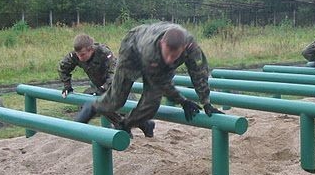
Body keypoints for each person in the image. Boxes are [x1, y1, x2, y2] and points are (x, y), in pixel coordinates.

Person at [74, 23, 223, 136]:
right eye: (168, 54)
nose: (170, 59)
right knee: (117, 100)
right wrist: (182, 101)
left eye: (175, 56)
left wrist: (206, 102)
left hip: (158, 56)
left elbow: (199, 73)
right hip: (132, 47)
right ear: (161, 44)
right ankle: (92, 107)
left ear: (184, 49)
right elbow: (160, 82)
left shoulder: (191, 47)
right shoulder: (151, 48)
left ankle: (129, 124)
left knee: (152, 103)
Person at [58, 34, 128, 133]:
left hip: (118, 83)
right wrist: (67, 85)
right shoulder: (75, 55)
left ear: (91, 50)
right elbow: (63, 68)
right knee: (102, 107)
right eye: (78, 54)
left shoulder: (103, 52)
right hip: (100, 86)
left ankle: (144, 125)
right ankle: (125, 128)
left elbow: (114, 72)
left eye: (82, 54)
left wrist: (105, 87)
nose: (80, 57)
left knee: (124, 110)